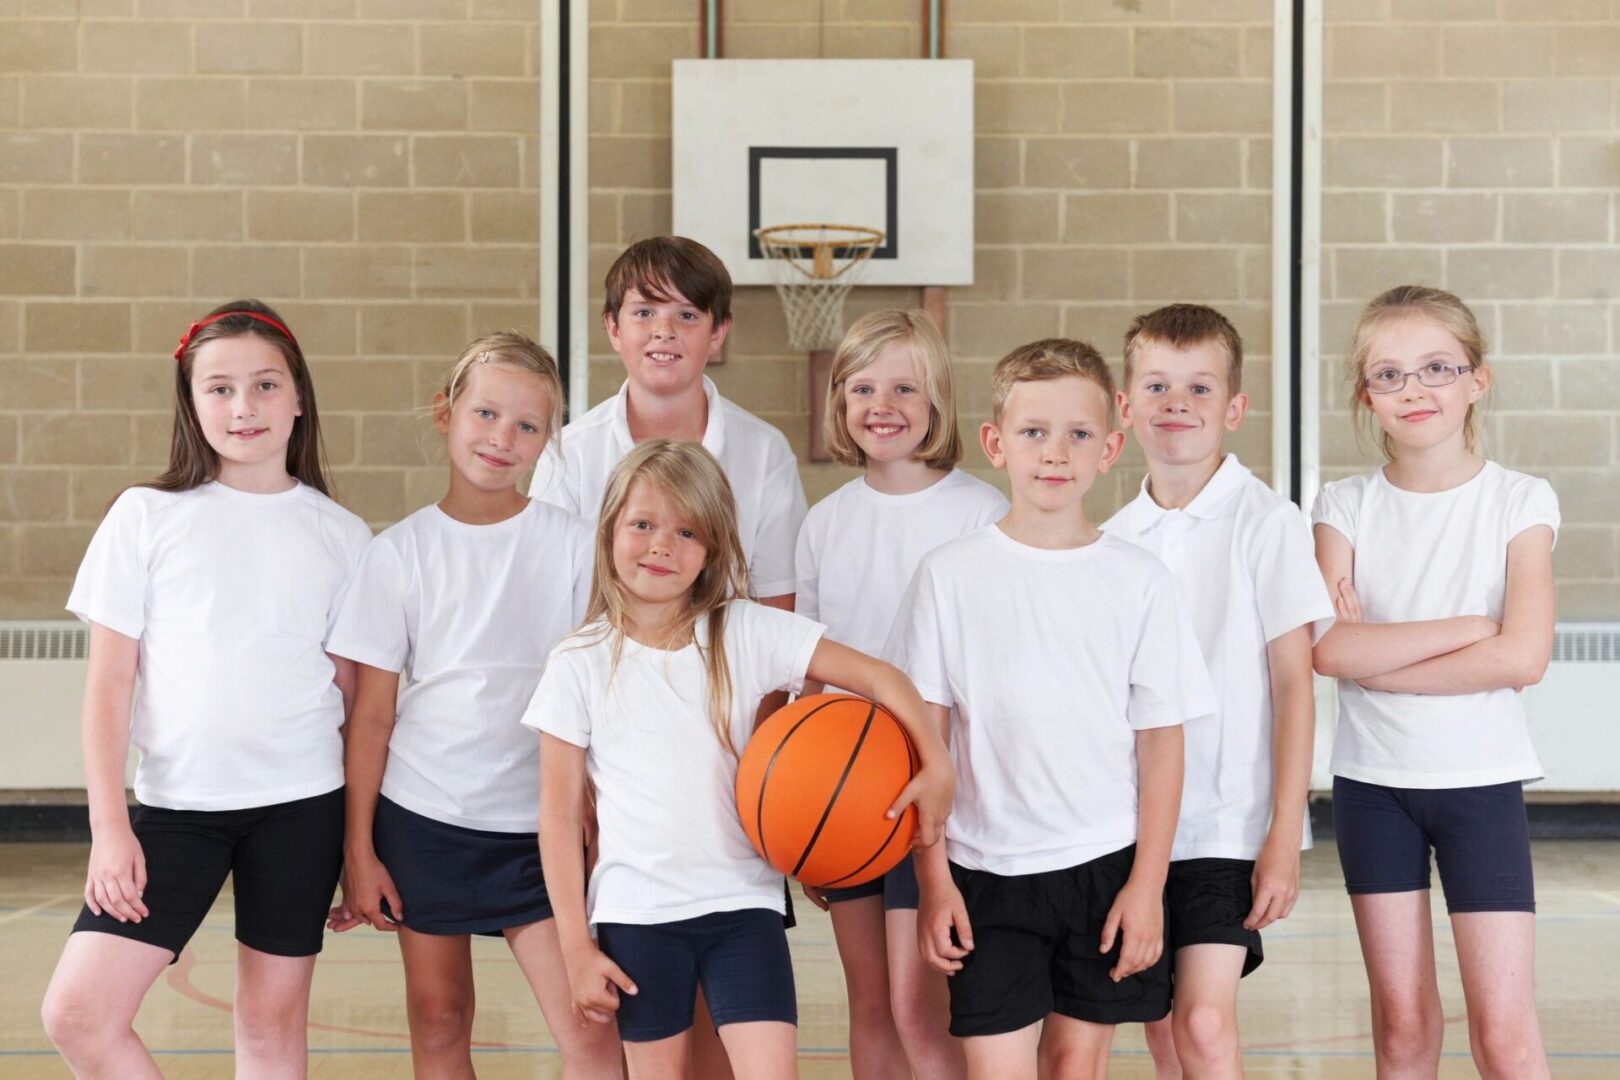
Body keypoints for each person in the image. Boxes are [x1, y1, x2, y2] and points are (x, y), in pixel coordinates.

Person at [528, 440, 954, 1080]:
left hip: (742, 909)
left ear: (714, 549)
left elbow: (884, 678)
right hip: (636, 916)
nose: (661, 545)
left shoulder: (745, 631)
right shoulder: (577, 661)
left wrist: (936, 765)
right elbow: (559, 818)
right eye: (642, 524)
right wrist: (575, 947)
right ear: (609, 529)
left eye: (686, 530)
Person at [41, 301, 371, 1078]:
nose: (243, 407)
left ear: (298, 398)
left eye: (264, 385)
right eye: (219, 388)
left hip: (301, 809)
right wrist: (109, 827)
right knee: (79, 1015)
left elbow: (358, 707)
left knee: (270, 1028)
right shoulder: (145, 517)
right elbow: (109, 686)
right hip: (176, 811)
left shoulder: (343, 537)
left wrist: (361, 845)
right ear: (191, 403)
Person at [893, 338, 1215, 1080]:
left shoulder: (1140, 581)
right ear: (995, 443)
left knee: (1076, 1066)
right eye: (1034, 432)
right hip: (983, 870)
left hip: (1103, 867)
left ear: (1110, 448)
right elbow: (926, 748)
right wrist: (934, 879)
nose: (1054, 453)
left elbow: (1162, 746)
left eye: (1078, 434)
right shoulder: (948, 577)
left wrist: (1147, 885)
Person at [326, 334, 622, 1077]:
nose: (502, 438)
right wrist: (358, 849)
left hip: (540, 828)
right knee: (439, 1018)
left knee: (589, 1030)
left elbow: (605, 689)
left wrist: (594, 802)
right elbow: (370, 717)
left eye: (527, 426)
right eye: (486, 413)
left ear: (548, 441)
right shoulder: (397, 553)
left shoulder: (576, 547)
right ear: (446, 412)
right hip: (424, 821)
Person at [1312, 285, 1556, 1079]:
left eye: (1436, 368)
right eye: (1388, 375)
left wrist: (1383, 659)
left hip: (1478, 785)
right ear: (1366, 395)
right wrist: (1467, 629)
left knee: (1503, 1032)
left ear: (1476, 381)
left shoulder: (1519, 500)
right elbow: (1329, 651)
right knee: (1404, 1027)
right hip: (1372, 787)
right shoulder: (1343, 506)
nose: (1414, 390)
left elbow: (1523, 659)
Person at [1103, 304, 1333, 1078]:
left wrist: (1282, 834)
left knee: (1203, 1021)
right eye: (1158, 385)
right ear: (1124, 405)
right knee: (1164, 1026)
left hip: (1228, 826)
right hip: (1134, 828)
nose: (1177, 403)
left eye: (1200, 388)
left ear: (1233, 409)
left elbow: (1294, 684)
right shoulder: (1112, 538)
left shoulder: (1267, 523)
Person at [794, 308, 1003, 1079]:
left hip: (943, 793)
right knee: (872, 1007)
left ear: (937, 401)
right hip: (849, 794)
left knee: (924, 1011)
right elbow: (811, 675)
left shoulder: (981, 512)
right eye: (863, 387)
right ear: (839, 402)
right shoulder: (824, 523)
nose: (882, 404)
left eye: (905, 387)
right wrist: (804, 806)